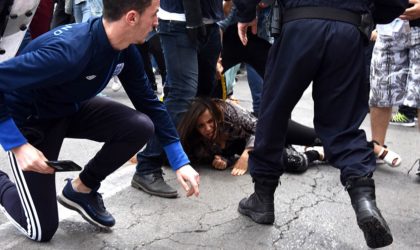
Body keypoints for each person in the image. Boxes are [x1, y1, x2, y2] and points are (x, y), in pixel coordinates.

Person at [0, 0, 200, 242]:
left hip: (68, 107)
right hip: (31, 119)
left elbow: (150, 103)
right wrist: (18, 145)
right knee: (40, 229)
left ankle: (81, 189)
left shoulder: (124, 49)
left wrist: (180, 161)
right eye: (154, 14)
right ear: (132, 18)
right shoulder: (69, 52)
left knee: (140, 126)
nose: (157, 22)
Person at [232, 0, 407, 248]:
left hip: (299, 24)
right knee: (343, 125)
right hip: (349, 28)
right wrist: (365, 14)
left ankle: (263, 197)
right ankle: (364, 200)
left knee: (274, 111)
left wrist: (246, 13)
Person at [132, 0, 223, 198]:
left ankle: (191, 152)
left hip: (211, 22)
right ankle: (147, 166)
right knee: (182, 95)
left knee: (203, 97)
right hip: (178, 21)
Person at [177, 98, 325, 175]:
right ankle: (319, 154)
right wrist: (224, 161)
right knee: (296, 162)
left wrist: (247, 153)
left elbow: (259, 129)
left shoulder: (229, 111)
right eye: (201, 126)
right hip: (260, 147)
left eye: (210, 122)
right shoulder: (197, 143)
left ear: (217, 117)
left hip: (268, 125)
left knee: (319, 138)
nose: (208, 129)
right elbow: (228, 153)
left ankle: (343, 142)